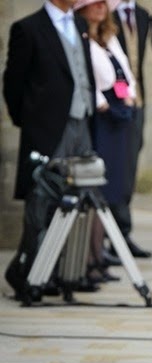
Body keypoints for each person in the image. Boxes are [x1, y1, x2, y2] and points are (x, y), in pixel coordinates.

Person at [3, 0, 95, 298]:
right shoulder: (27, 28)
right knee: (42, 202)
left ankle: (66, 273)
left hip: (81, 124)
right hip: (46, 128)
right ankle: (30, 272)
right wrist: (31, 122)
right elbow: (13, 84)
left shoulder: (80, 24)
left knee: (76, 199)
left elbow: (83, 73)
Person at [74, 0, 136, 283]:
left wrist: (130, 95)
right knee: (98, 188)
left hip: (119, 113)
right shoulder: (80, 37)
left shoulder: (109, 37)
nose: (100, 8)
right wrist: (101, 104)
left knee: (113, 188)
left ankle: (98, 259)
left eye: (103, 3)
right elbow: (84, 78)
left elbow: (124, 70)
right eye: (93, 3)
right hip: (101, 116)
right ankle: (88, 260)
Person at [109, 0, 152, 259]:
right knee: (114, 168)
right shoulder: (105, 12)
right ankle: (111, 236)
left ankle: (122, 233)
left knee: (129, 168)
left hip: (137, 100)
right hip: (113, 105)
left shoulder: (143, 15)